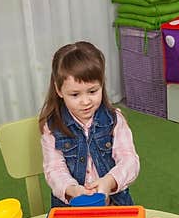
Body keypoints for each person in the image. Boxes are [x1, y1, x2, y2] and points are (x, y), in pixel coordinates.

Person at [38, 41, 140, 207]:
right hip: (71, 206)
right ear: (59, 90)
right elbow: (54, 168)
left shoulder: (115, 120)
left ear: (102, 84)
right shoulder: (52, 126)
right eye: (75, 94)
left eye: (92, 91)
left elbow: (129, 160)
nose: (85, 102)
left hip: (112, 203)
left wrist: (109, 182)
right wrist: (73, 189)